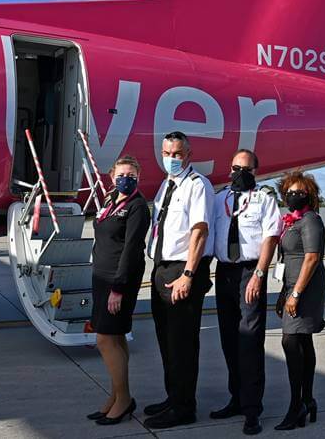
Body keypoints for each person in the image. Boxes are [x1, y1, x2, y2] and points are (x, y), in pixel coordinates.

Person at [143, 131, 214, 429]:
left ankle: (184, 406)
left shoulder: (198, 185)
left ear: (188, 155)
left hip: (182, 272)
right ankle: (173, 396)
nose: (170, 159)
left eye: (176, 154)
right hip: (162, 268)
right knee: (166, 340)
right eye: (166, 153)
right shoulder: (167, 185)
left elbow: (199, 231)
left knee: (182, 343)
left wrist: (188, 274)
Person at [210, 149, 281, 435]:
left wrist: (260, 275)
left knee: (250, 341)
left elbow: (270, 237)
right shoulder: (219, 200)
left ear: (256, 171)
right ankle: (236, 399)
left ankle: (252, 410)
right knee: (229, 338)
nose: (240, 173)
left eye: (247, 169)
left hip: (251, 273)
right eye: (236, 168)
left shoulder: (265, 200)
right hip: (225, 273)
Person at [86, 155, 150, 426]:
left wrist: (118, 288)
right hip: (102, 278)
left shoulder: (136, 207)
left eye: (131, 176)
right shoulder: (112, 201)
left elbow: (132, 249)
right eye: (122, 174)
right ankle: (116, 396)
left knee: (104, 339)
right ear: (112, 176)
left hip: (118, 280)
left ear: (137, 178)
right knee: (116, 337)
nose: (126, 179)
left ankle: (123, 400)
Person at [274, 170, 325, 431]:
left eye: (300, 192)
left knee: (291, 340)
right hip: (292, 286)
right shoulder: (291, 222)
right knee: (303, 340)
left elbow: (311, 258)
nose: (294, 196)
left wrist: (295, 294)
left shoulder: (310, 221)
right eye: (290, 192)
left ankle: (297, 405)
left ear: (310, 195)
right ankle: (308, 400)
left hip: (307, 288)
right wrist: (284, 292)